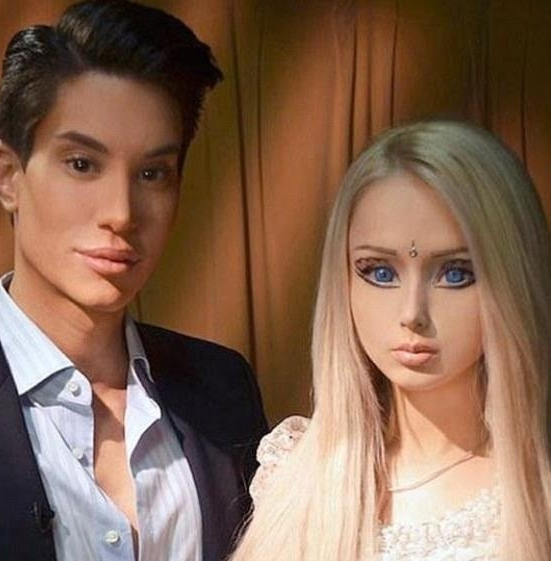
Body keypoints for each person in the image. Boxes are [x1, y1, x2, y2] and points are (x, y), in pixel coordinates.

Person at [0, 2, 268, 560]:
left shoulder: (222, 388)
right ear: (7, 176)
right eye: (82, 164)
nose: (121, 212)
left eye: (152, 173)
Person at [231, 120, 550, 561]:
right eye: (381, 272)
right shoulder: (295, 478)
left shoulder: (536, 493)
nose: (412, 313)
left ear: (513, 278)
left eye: (455, 273)